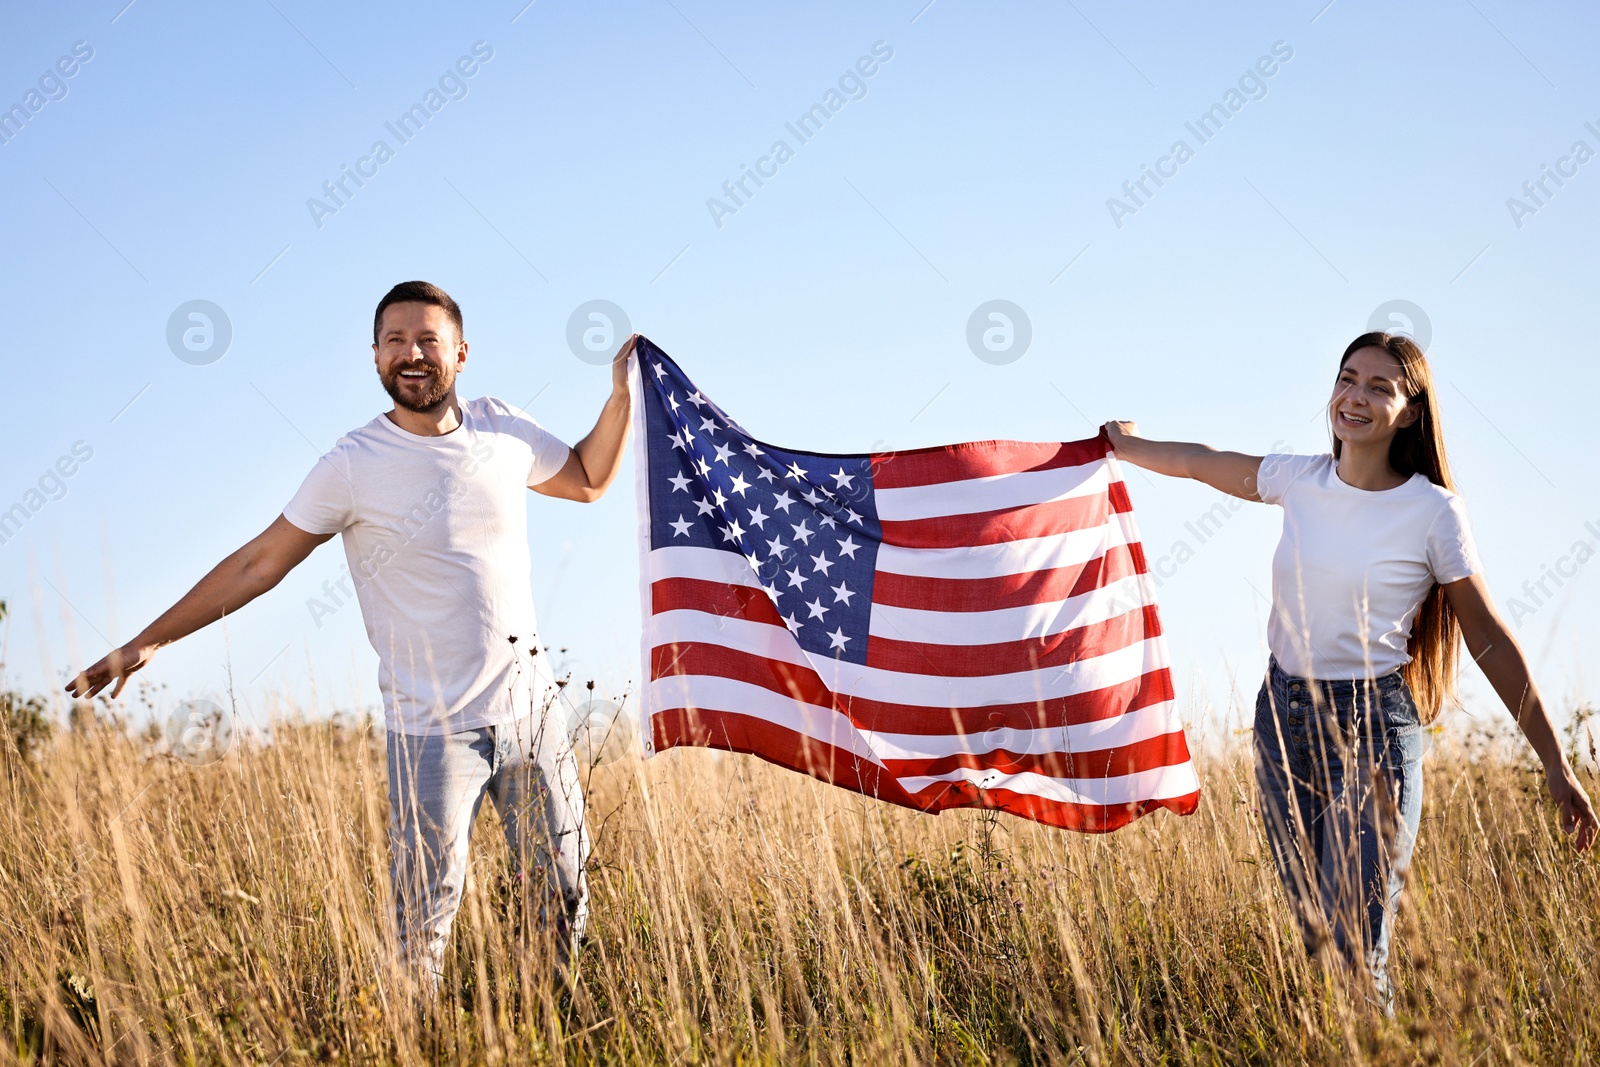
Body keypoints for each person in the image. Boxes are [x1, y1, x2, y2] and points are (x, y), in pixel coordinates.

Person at [67, 280, 635, 994]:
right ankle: (411, 1038)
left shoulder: (504, 428)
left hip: (533, 719)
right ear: (374, 358)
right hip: (431, 734)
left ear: (460, 351)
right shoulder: (352, 462)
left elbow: (586, 478)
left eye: (428, 339)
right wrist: (152, 638)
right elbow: (258, 561)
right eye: (396, 341)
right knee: (425, 917)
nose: (412, 354)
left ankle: (545, 1027)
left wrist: (619, 398)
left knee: (560, 896)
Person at [1102, 331, 1598, 1007]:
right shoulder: (1298, 479)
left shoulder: (1432, 511)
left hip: (1372, 733)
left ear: (1410, 412)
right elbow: (1199, 461)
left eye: (1378, 386)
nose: (1354, 396)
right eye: (1346, 378)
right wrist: (1127, 446)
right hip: (1283, 718)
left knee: (1356, 947)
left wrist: (1555, 762)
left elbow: (1487, 635)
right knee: (1316, 936)